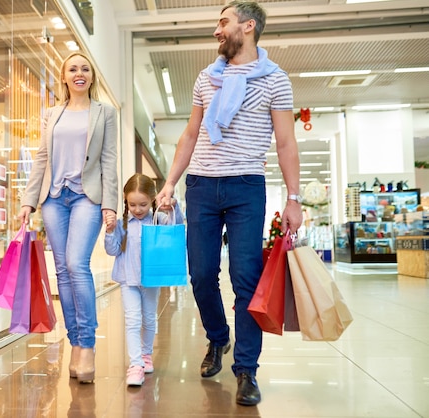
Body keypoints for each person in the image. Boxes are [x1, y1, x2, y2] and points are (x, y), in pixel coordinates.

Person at [156, 0, 302, 406]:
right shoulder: (207, 77)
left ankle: (246, 369)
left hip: (246, 186)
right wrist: (170, 182)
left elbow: (286, 142)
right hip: (202, 185)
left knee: (245, 279)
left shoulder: (276, 80)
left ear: (248, 27)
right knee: (201, 274)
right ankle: (217, 339)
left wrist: (294, 198)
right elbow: (189, 134)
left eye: (224, 22)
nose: (217, 31)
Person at [17, 52, 118, 384]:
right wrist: (28, 201)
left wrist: (110, 204)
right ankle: (74, 342)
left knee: (77, 264)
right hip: (54, 199)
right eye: (72, 68)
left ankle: (87, 343)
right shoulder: (51, 114)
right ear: (64, 76)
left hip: (87, 197)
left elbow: (108, 160)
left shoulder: (105, 113)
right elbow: (41, 159)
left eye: (85, 69)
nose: (79, 73)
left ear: (91, 77)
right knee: (61, 269)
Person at [104, 173, 183, 386]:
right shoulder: (122, 223)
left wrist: (175, 207)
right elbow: (112, 251)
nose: (138, 209)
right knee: (132, 320)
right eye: (132, 204)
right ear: (125, 202)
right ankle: (136, 364)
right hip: (127, 279)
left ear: (153, 200)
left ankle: (146, 355)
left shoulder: (157, 219)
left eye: (143, 204)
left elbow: (176, 229)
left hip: (151, 279)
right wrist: (110, 231)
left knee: (149, 318)